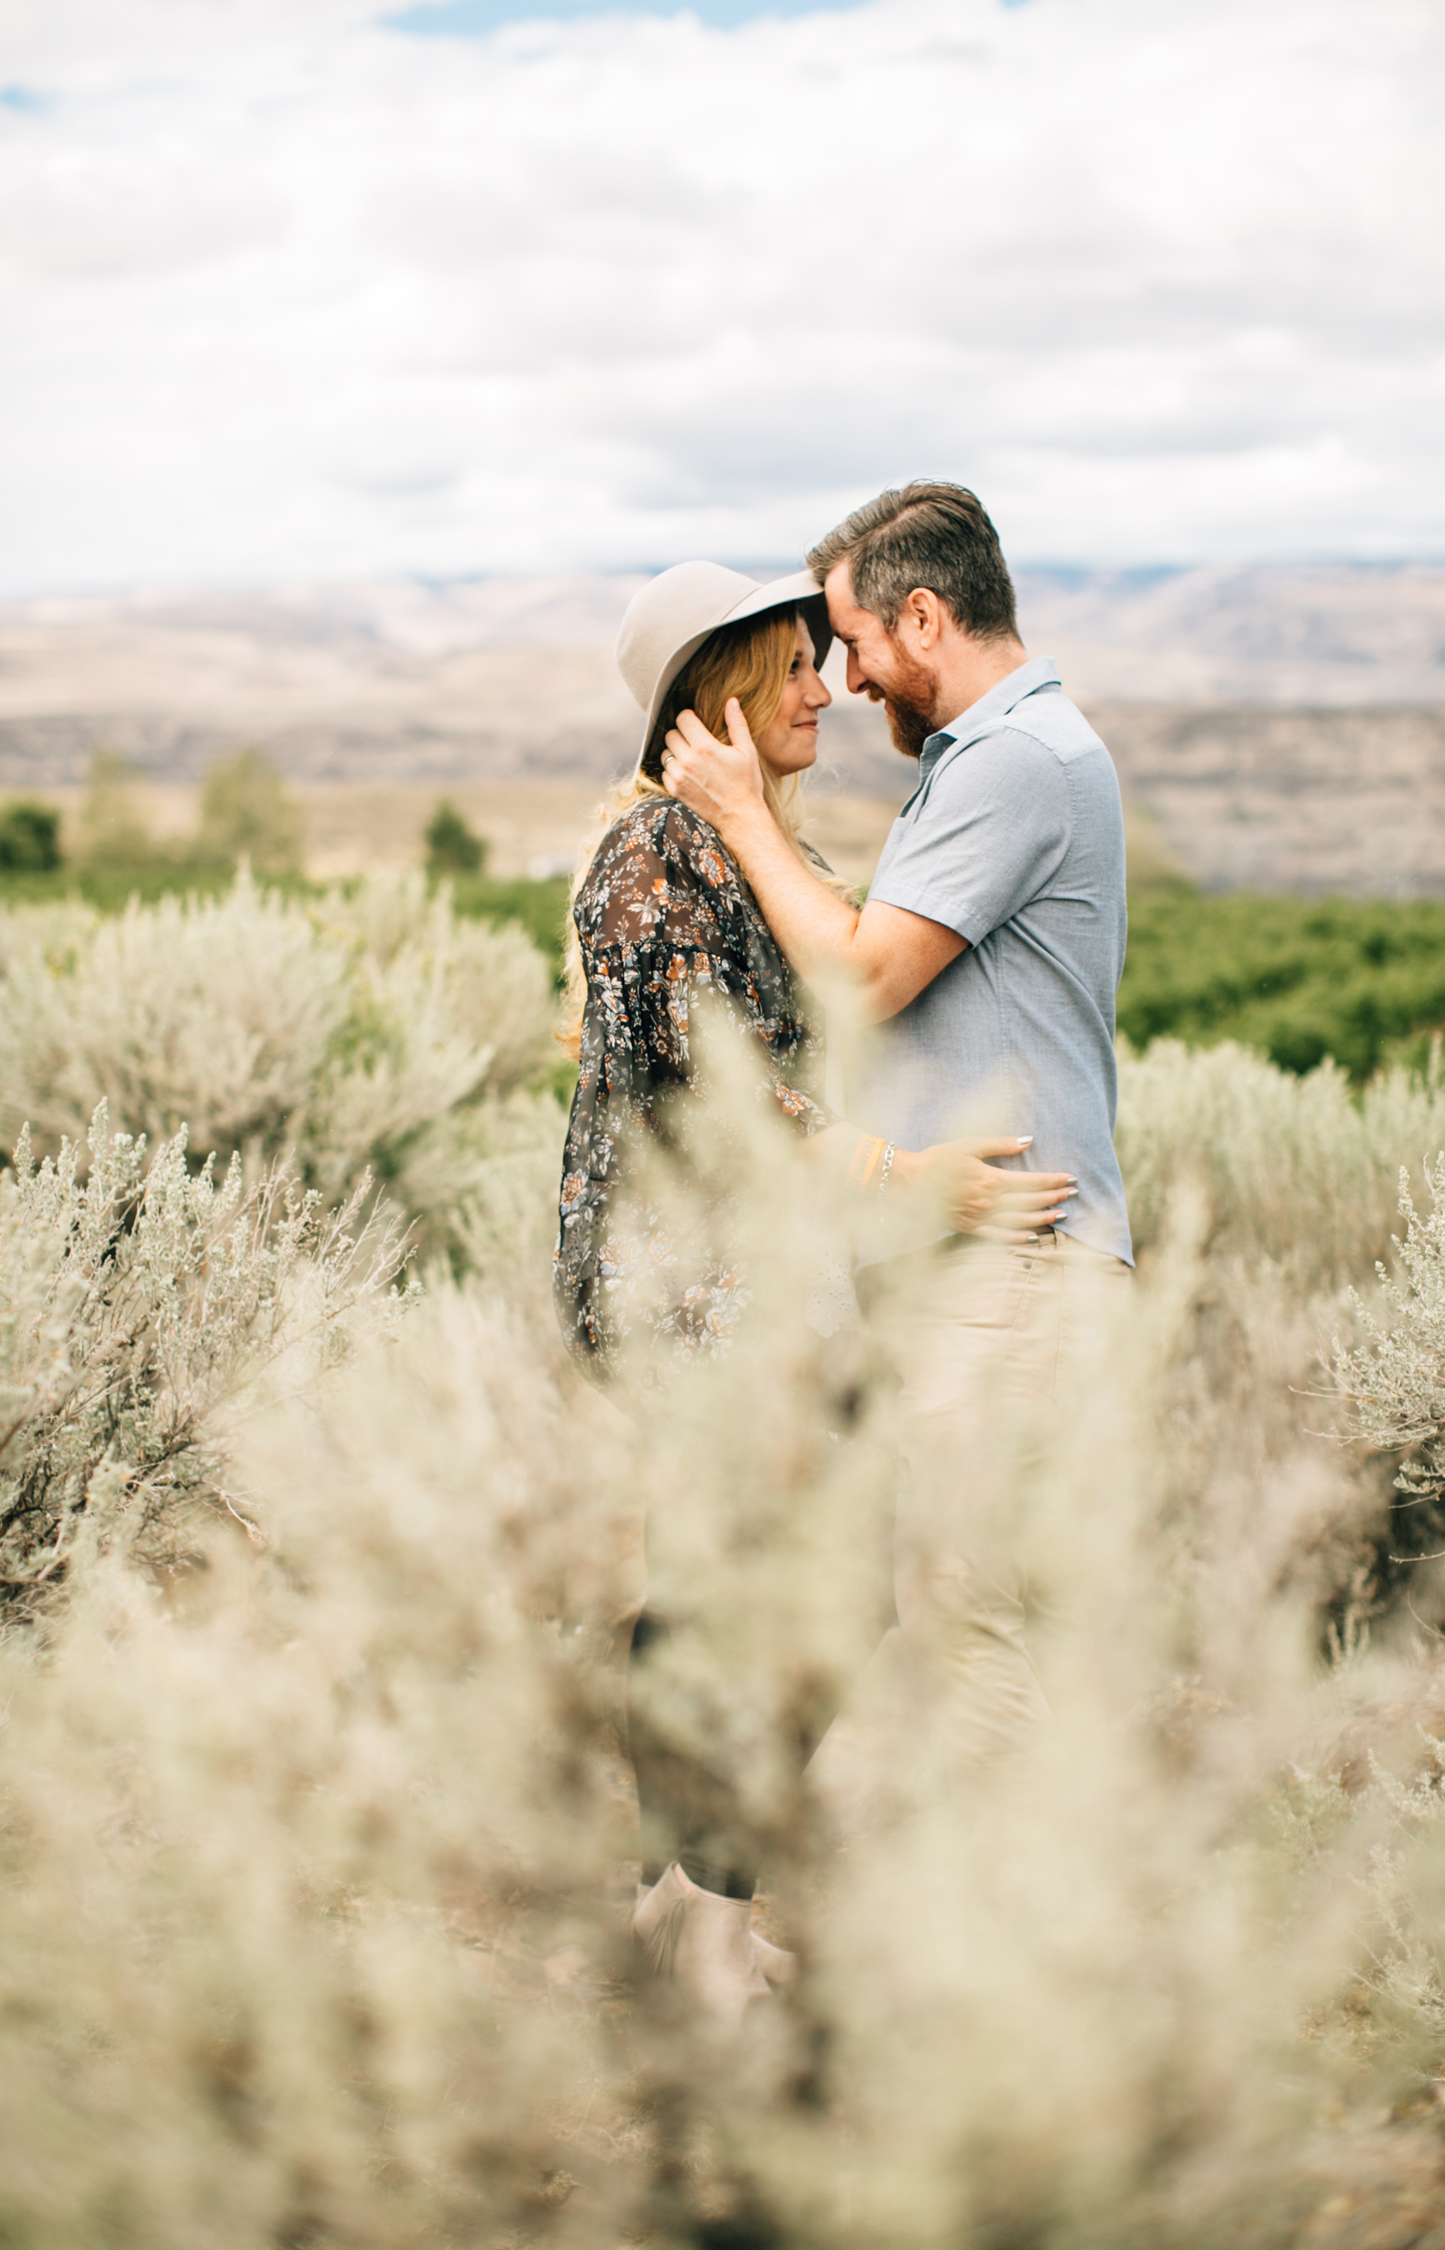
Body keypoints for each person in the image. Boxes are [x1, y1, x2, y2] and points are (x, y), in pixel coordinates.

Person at [554, 559, 1073, 2021]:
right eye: (788, 667)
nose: (820, 690)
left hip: (761, 1280)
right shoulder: (652, 855)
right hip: (692, 1285)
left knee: (752, 1589)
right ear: (712, 693)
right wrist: (913, 1183)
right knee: (786, 1591)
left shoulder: (727, 847)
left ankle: (674, 1904)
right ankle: (705, 1920)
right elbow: (702, 1094)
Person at [659, 483, 1133, 1802]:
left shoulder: (1016, 762)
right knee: (940, 1613)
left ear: (926, 617)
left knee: (966, 1626)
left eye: (857, 642)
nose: (848, 679)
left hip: (1014, 1267)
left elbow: (865, 979)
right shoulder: (987, 762)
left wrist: (744, 814)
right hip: (973, 1263)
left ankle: (975, 1959)